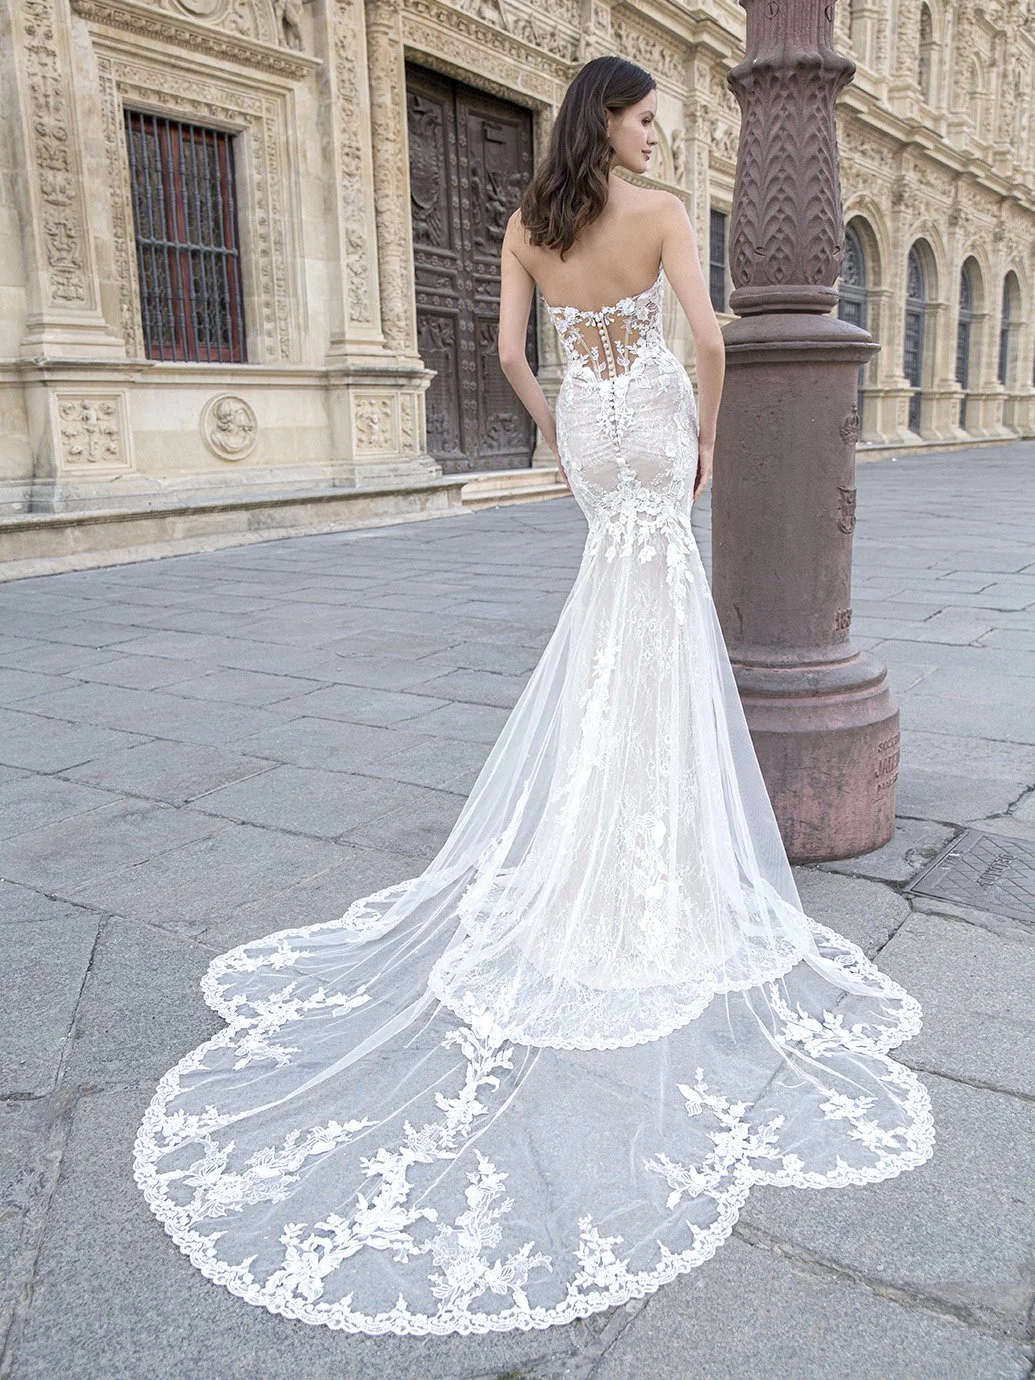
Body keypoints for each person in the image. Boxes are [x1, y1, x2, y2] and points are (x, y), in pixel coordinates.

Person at [135, 55, 933, 1338]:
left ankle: (585, 846)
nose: (657, 130)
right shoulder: (663, 210)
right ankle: (648, 858)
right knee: (659, 624)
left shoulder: (523, 222)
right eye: (647, 113)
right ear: (610, 122)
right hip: (658, 419)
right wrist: (712, 433)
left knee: (608, 618)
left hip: (589, 427)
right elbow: (714, 338)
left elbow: (509, 351)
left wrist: (558, 421)